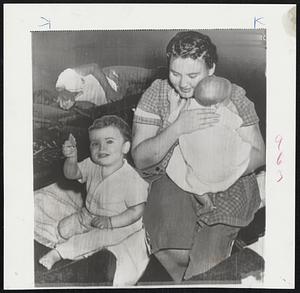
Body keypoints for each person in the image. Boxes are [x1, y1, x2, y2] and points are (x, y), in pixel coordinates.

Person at [131, 31, 265, 282]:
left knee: (205, 266)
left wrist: (214, 172)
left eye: (193, 75)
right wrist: (177, 127)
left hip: (230, 179)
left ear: (211, 68)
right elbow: (141, 159)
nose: (182, 84)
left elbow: (259, 155)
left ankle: (206, 272)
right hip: (176, 176)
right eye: (175, 73)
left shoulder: (230, 93)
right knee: (171, 249)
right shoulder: (158, 92)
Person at [39, 115, 149, 275]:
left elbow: (136, 211)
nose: (101, 148)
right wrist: (71, 158)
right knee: (63, 229)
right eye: (95, 143)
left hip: (120, 224)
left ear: (125, 147)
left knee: (93, 240)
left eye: (109, 141)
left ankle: (59, 253)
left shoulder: (132, 179)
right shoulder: (92, 164)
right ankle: (74, 246)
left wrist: (111, 222)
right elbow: (71, 174)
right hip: (88, 215)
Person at [166, 75, 253, 214]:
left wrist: (172, 103)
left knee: (179, 164)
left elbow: (172, 120)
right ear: (218, 104)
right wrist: (233, 110)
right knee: (237, 142)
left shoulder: (188, 109)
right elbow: (238, 123)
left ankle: (206, 203)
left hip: (201, 176)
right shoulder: (223, 113)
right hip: (226, 173)